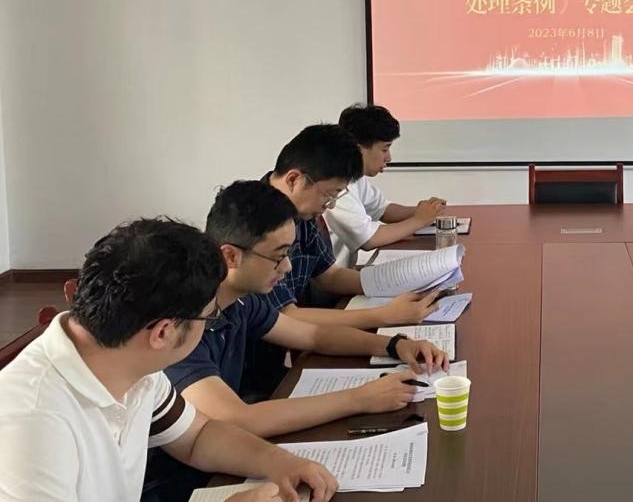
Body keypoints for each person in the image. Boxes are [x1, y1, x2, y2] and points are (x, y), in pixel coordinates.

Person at [0, 219, 337, 502]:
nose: (209, 326)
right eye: (208, 319)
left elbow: (197, 437)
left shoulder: (124, 360)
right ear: (162, 332)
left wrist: (278, 461)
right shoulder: (30, 419)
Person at [171, 179, 449, 438]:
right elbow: (239, 419)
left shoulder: (242, 300)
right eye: (278, 256)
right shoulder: (182, 324)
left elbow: (314, 336)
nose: (287, 267)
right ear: (231, 256)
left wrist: (394, 345)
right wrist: (360, 398)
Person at [257, 124, 442, 332]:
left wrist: (404, 282)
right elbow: (285, 316)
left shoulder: (301, 213)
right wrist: (385, 315)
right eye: (328, 195)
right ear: (294, 180)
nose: (330, 206)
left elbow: (330, 276)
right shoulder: (258, 223)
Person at [326, 103, 447, 268]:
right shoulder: (335, 185)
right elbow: (369, 239)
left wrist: (426, 210)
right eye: (384, 149)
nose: (389, 158)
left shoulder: (355, 177)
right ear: (358, 149)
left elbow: (383, 209)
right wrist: (419, 220)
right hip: (334, 280)